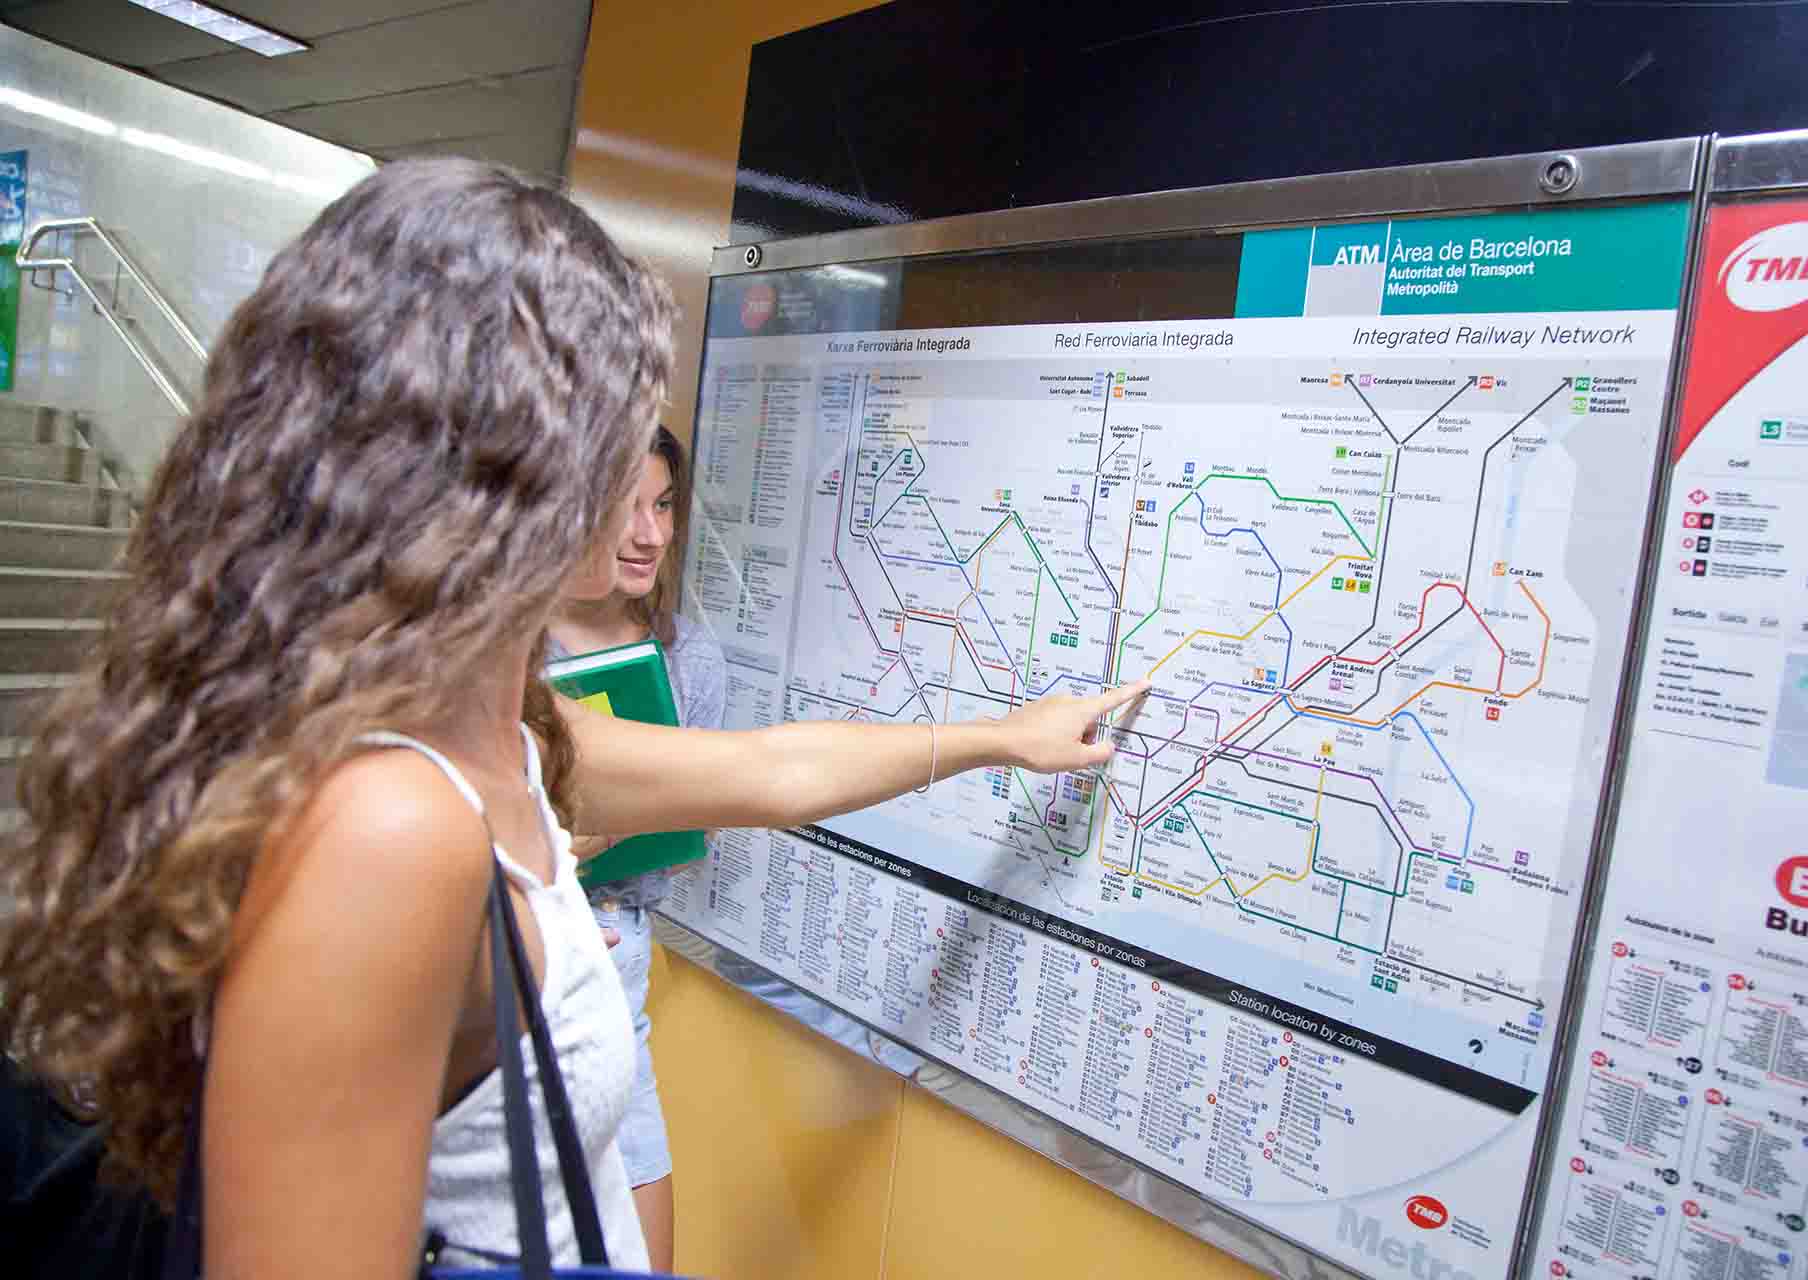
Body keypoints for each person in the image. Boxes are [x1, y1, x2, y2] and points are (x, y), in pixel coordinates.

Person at [0, 156, 1146, 1279]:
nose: (644, 494)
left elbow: (771, 768)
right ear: (507, 461)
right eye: (614, 432)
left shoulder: (500, 729)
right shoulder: (386, 824)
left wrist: (1006, 734)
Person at [544, 427, 718, 1271]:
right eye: (627, 509)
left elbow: (699, 820)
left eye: (664, 506)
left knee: (635, 1165)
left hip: (618, 940)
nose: (651, 534)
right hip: (512, 930)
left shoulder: (688, 660)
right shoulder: (503, 647)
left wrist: (602, 832)